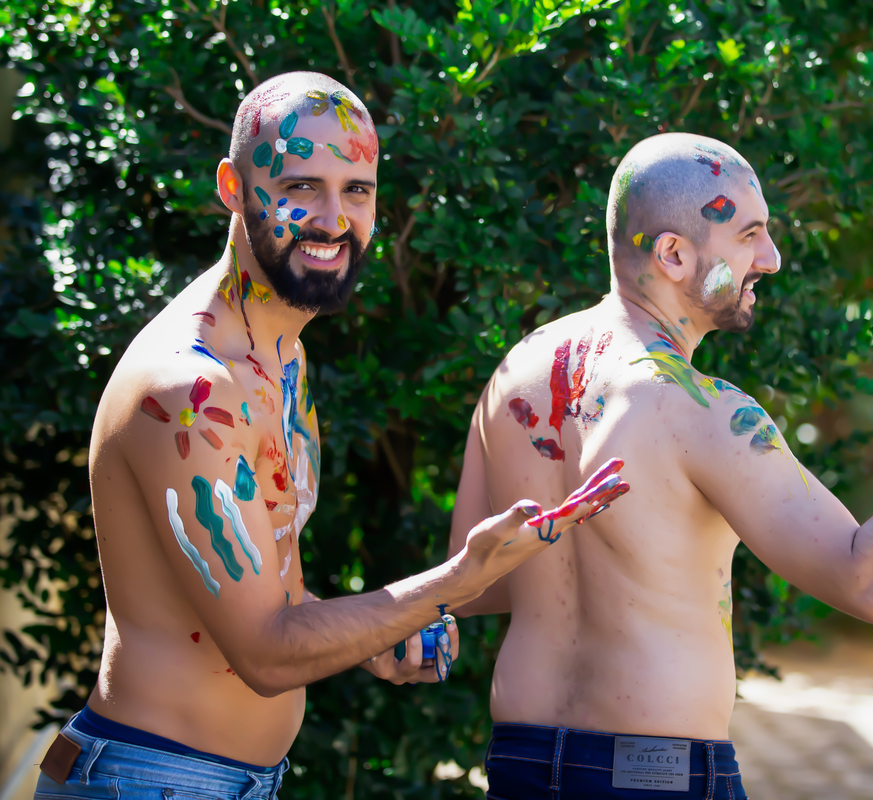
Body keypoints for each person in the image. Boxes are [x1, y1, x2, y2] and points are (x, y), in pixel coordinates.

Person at [35, 72, 628, 799]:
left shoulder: (281, 352)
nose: (333, 219)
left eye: (356, 190)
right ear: (232, 187)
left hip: (227, 780)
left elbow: (268, 589)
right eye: (301, 187)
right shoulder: (189, 392)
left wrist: (377, 635)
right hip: (148, 779)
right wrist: (456, 582)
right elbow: (265, 654)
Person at [447, 132, 873, 799]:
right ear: (673, 255)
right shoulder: (701, 411)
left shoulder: (516, 374)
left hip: (521, 765)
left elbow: (466, 584)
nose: (770, 258)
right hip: (658, 779)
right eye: (749, 235)